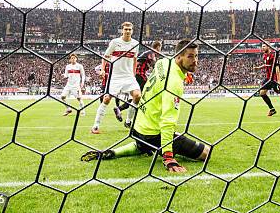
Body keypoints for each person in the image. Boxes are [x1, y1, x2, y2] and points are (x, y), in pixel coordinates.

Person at [81, 39, 210, 173]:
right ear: (179, 57)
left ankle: (114, 152)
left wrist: (185, 73)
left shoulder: (163, 62)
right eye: (190, 56)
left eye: (196, 56)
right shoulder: (174, 83)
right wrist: (168, 156)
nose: (195, 60)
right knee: (207, 152)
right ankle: (160, 149)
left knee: (142, 146)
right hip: (154, 134)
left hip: (138, 128)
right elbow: (168, 121)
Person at [91, 22, 140, 134]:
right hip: (116, 77)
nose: (128, 31)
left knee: (137, 96)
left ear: (132, 31)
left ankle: (128, 121)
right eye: (126, 29)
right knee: (107, 99)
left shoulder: (135, 44)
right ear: (122, 30)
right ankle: (95, 126)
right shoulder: (115, 42)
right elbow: (105, 57)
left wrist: (133, 73)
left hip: (129, 77)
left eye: (130, 29)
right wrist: (103, 69)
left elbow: (135, 59)